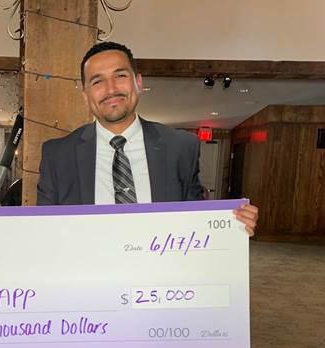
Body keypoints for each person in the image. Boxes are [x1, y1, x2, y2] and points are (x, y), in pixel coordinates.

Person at [37, 41, 258, 235]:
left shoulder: (181, 147)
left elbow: (193, 220)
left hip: (159, 278)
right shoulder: (57, 155)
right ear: (85, 95)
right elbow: (45, 231)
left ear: (139, 83)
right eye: (97, 81)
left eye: (120, 75)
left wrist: (232, 225)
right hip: (89, 278)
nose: (111, 89)